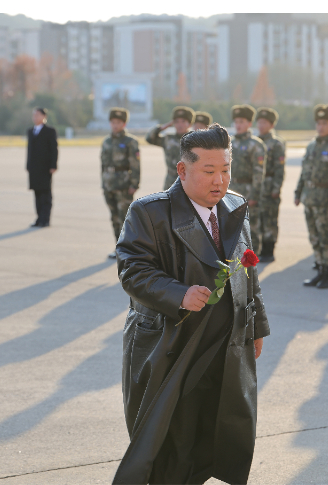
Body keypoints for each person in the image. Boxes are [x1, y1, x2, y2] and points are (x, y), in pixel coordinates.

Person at [113, 124, 269, 485]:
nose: (220, 180)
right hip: (173, 343)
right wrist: (177, 293)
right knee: (172, 437)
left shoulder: (234, 206)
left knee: (214, 428)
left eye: (226, 170)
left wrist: (256, 327)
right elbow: (132, 270)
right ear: (182, 170)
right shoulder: (150, 213)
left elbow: (248, 272)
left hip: (225, 343)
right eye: (209, 171)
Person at [295, 105, 328, 289]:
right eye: (318, 123)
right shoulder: (312, 146)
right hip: (310, 199)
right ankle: (319, 270)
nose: (320, 127)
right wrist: (298, 193)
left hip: (326, 201)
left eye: (325, 123)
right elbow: (304, 172)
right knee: (315, 237)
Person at [101, 108, 140, 259]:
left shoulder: (130, 141)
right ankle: (118, 248)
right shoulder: (106, 141)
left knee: (125, 219)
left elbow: (135, 164)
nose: (115, 125)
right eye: (113, 122)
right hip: (109, 184)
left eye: (118, 122)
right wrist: (103, 183)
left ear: (124, 124)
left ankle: (128, 250)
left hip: (123, 185)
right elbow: (103, 164)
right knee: (114, 218)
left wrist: (134, 184)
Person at [229, 104, 267, 255]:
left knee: (251, 228)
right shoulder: (229, 143)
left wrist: (254, 196)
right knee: (232, 228)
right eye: (236, 122)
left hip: (248, 191)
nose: (238, 125)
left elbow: (258, 173)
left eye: (242, 122)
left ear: (249, 123)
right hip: (231, 190)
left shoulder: (256, 145)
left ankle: (252, 260)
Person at [255, 107, 286, 262]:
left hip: (269, 185)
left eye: (265, 122)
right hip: (257, 187)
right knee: (258, 219)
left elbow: (280, 169)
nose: (261, 125)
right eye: (259, 122)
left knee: (270, 220)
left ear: (272, 125)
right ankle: (259, 248)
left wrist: (276, 188)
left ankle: (269, 250)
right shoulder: (255, 142)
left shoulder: (276, 144)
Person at [146, 106, 194, 190]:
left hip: (189, 180)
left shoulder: (194, 140)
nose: (179, 125)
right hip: (170, 181)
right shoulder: (168, 139)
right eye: (176, 122)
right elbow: (149, 139)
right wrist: (163, 127)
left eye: (183, 121)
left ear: (189, 124)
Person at [26, 107, 58, 228]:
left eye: (38, 115)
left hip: (45, 168)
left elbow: (54, 149)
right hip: (34, 168)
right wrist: (28, 165)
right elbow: (29, 150)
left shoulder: (50, 131)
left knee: (45, 194)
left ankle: (45, 219)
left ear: (44, 117)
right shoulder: (31, 131)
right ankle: (39, 218)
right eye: (34, 115)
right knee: (37, 194)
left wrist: (53, 165)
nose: (35, 117)